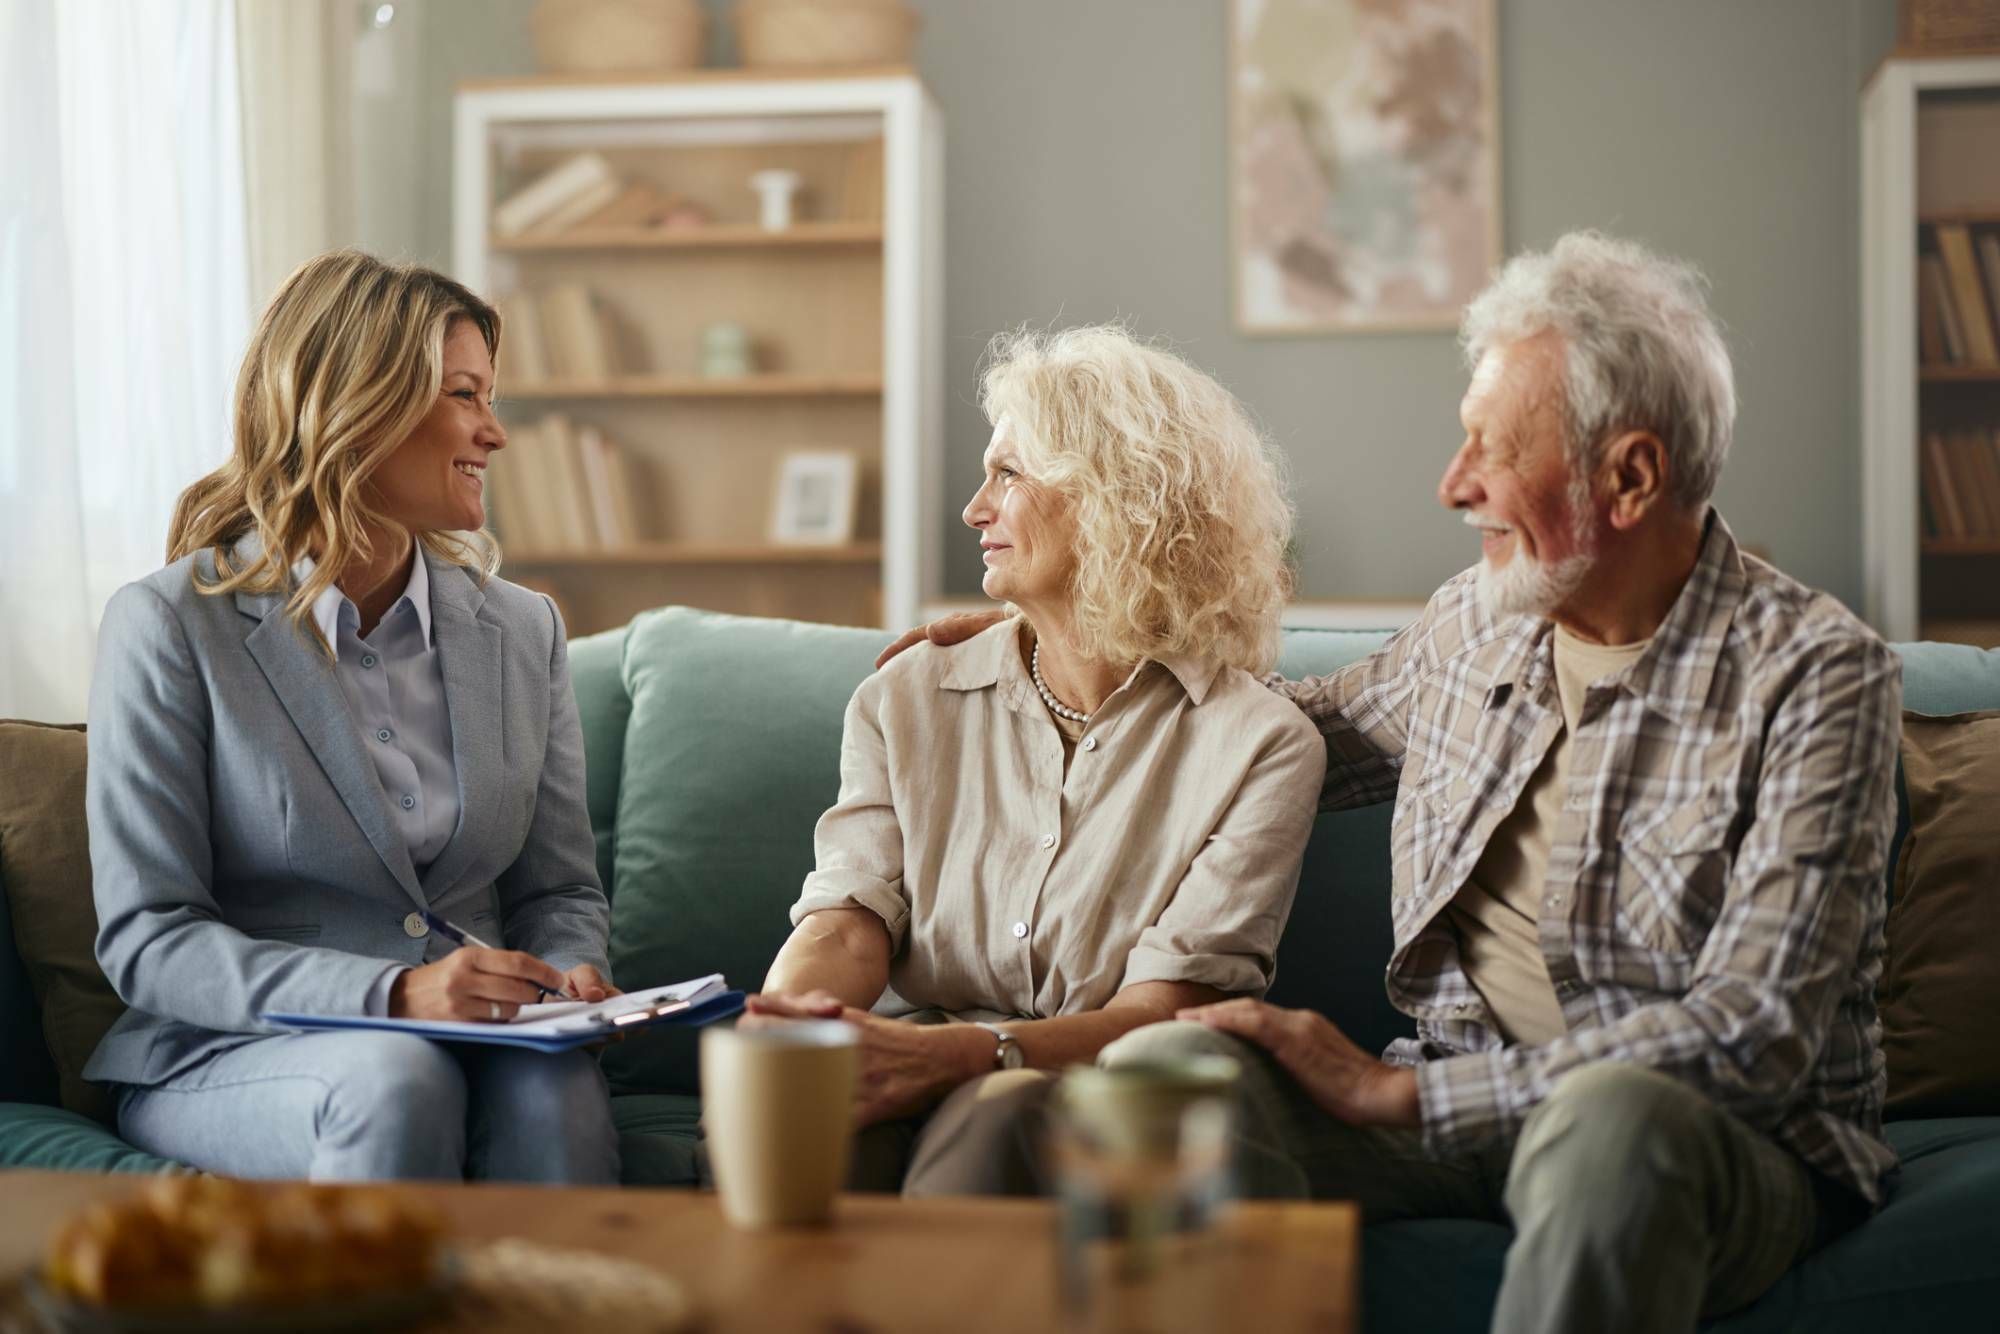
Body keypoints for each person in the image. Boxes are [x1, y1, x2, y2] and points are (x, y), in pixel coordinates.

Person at [888, 233, 1900, 1333]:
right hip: (1449, 1102)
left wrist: (1409, 1091)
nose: (1451, 484)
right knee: (1169, 1067)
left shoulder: (1814, 675)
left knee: (1608, 1122)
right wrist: (1056, 646)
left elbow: (1754, 1029)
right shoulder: (1475, 620)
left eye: (1489, 450)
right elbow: (1263, 739)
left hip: (1704, 1138)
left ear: (1630, 476)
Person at [742, 324, 1326, 1195]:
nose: (975, 509)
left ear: (1116, 498)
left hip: (1098, 1090)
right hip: (911, 1045)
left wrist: (966, 1056)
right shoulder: (903, 700)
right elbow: (847, 916)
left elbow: (1168, 1010)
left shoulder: (1259, 745)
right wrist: (790, 1027)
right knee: (810, 1120)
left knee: (999, 1115)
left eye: (1008, 475)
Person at [83, 249, 621, 1184]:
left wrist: (565, 980)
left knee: (557, 1088)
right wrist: (395, 994)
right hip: (242, 1049)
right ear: (360, 406)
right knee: (394, 1076)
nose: (495, 432)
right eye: (465, 394)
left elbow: (558, 892)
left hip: (484, 1038)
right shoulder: (170, 624)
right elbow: (152, 934)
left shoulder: (522, 628)